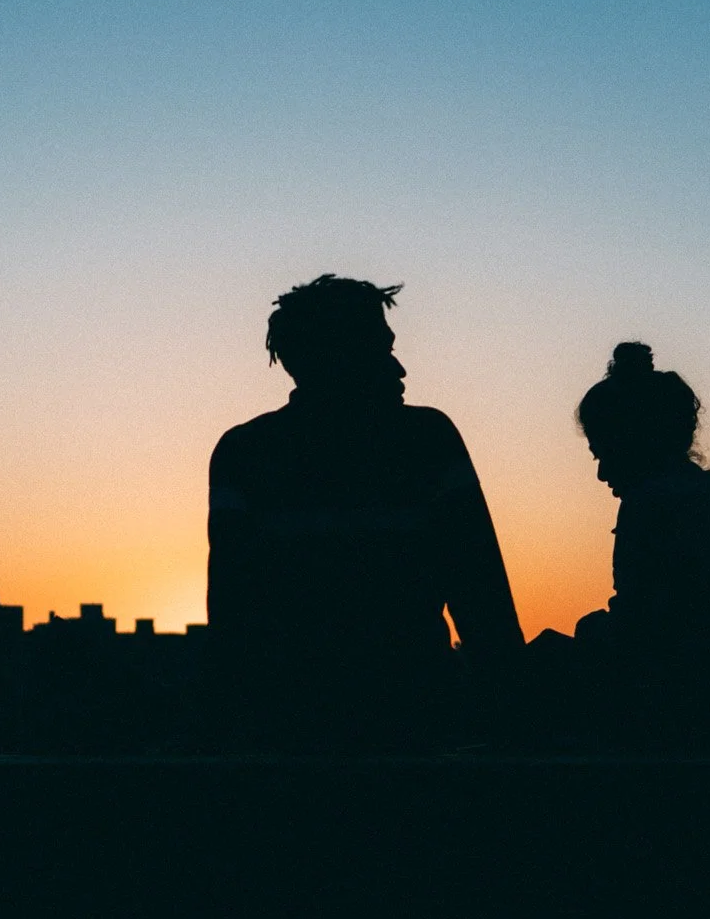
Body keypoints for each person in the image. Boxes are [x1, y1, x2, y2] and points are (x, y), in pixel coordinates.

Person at [207, 275, 523, 751]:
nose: (399, 369)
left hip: (286, 731)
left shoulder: (243, 453)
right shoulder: (427, 441)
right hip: (416, 723)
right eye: (379, 350)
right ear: (333, 357)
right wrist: (512, 717)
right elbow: (482, 596)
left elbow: (230, 618)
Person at [572, 342, 710, 748]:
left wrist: (590, 631)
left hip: (689, 723)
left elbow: (648, 637)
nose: (601, 473)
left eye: (604, 453)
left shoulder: (652, 504)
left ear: (635, 440)